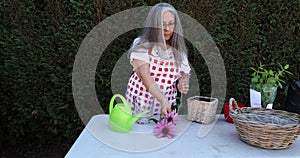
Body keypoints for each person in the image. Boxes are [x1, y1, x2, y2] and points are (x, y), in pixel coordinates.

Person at [125, 2, 191, 122]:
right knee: (137, 135)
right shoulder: (142, 45)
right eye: (162, 24)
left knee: (162, 136)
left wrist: (183, 82)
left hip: (166, 106)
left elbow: (184, 73)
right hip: (141, 104)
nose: (167, 29)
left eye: (171, 24)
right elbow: (144, 75)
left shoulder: (178, 50)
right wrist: (162, 100)